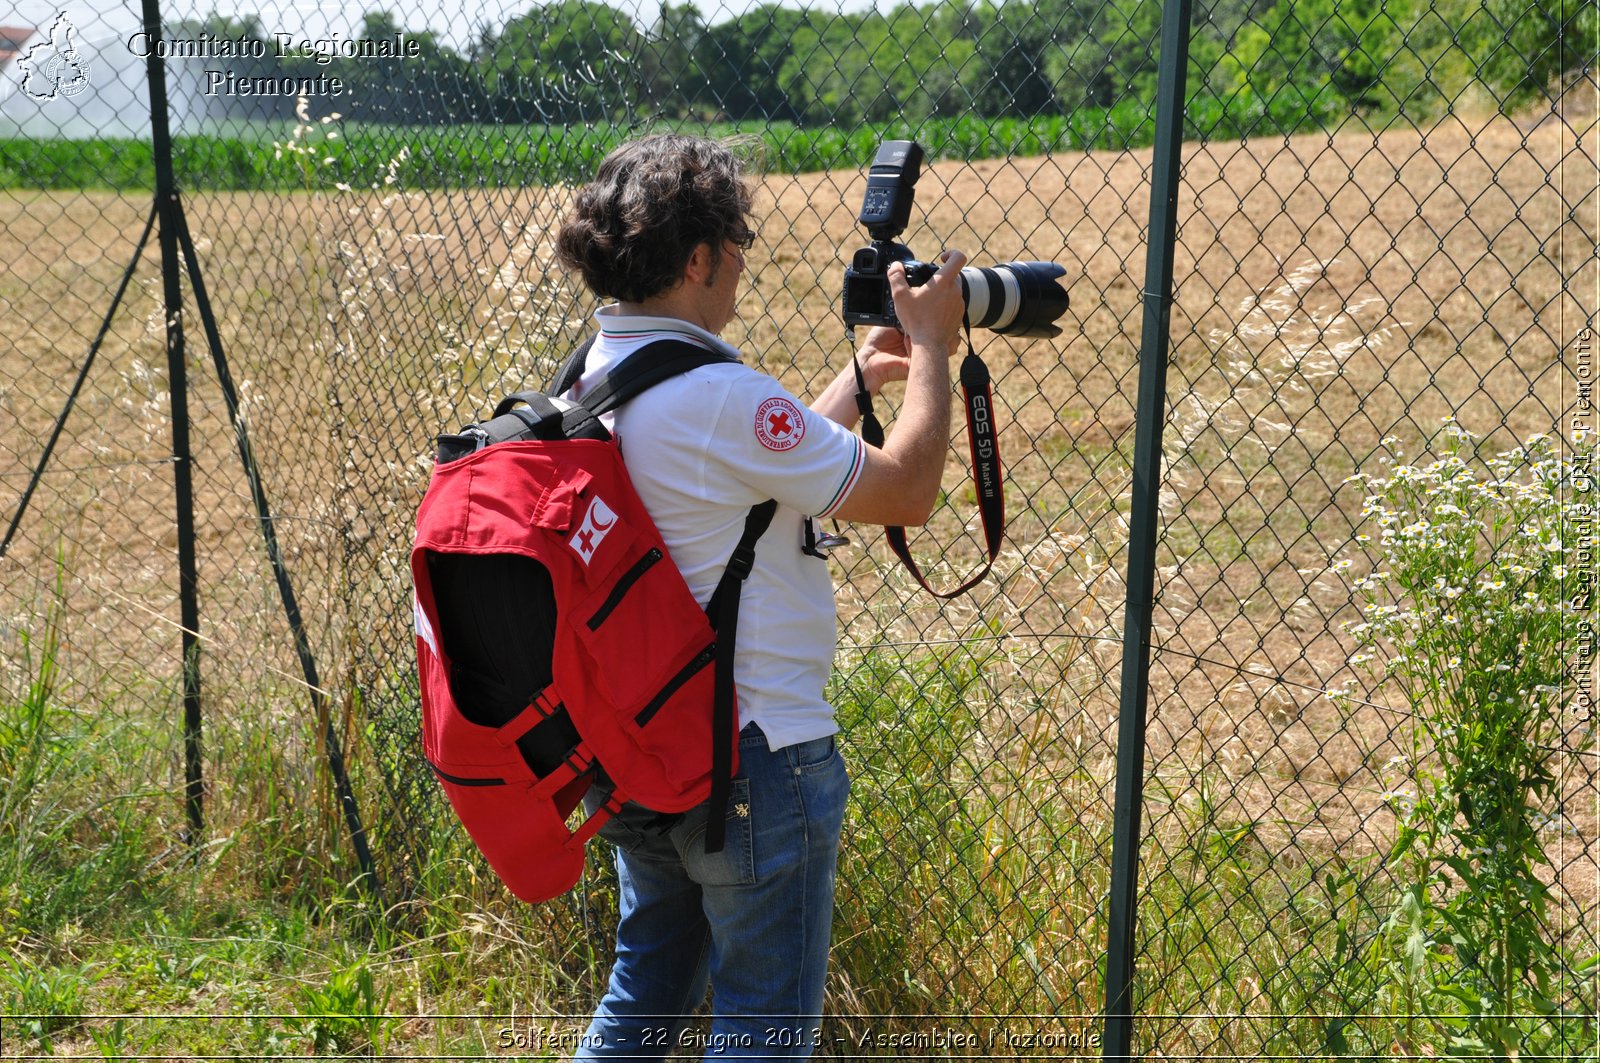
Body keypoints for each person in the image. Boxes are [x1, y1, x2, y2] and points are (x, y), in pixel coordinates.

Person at [552, 133, 966, 1060]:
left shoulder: (591, 381)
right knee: (762, 1031)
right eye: (734, 243)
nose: (741, 261)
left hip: (644, 748)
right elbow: (906, 490)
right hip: (754, 759)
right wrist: (935, 346)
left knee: (645, 987)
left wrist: (854, 383)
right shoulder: (719, 395)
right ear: (696, 258)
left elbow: (747, 487)